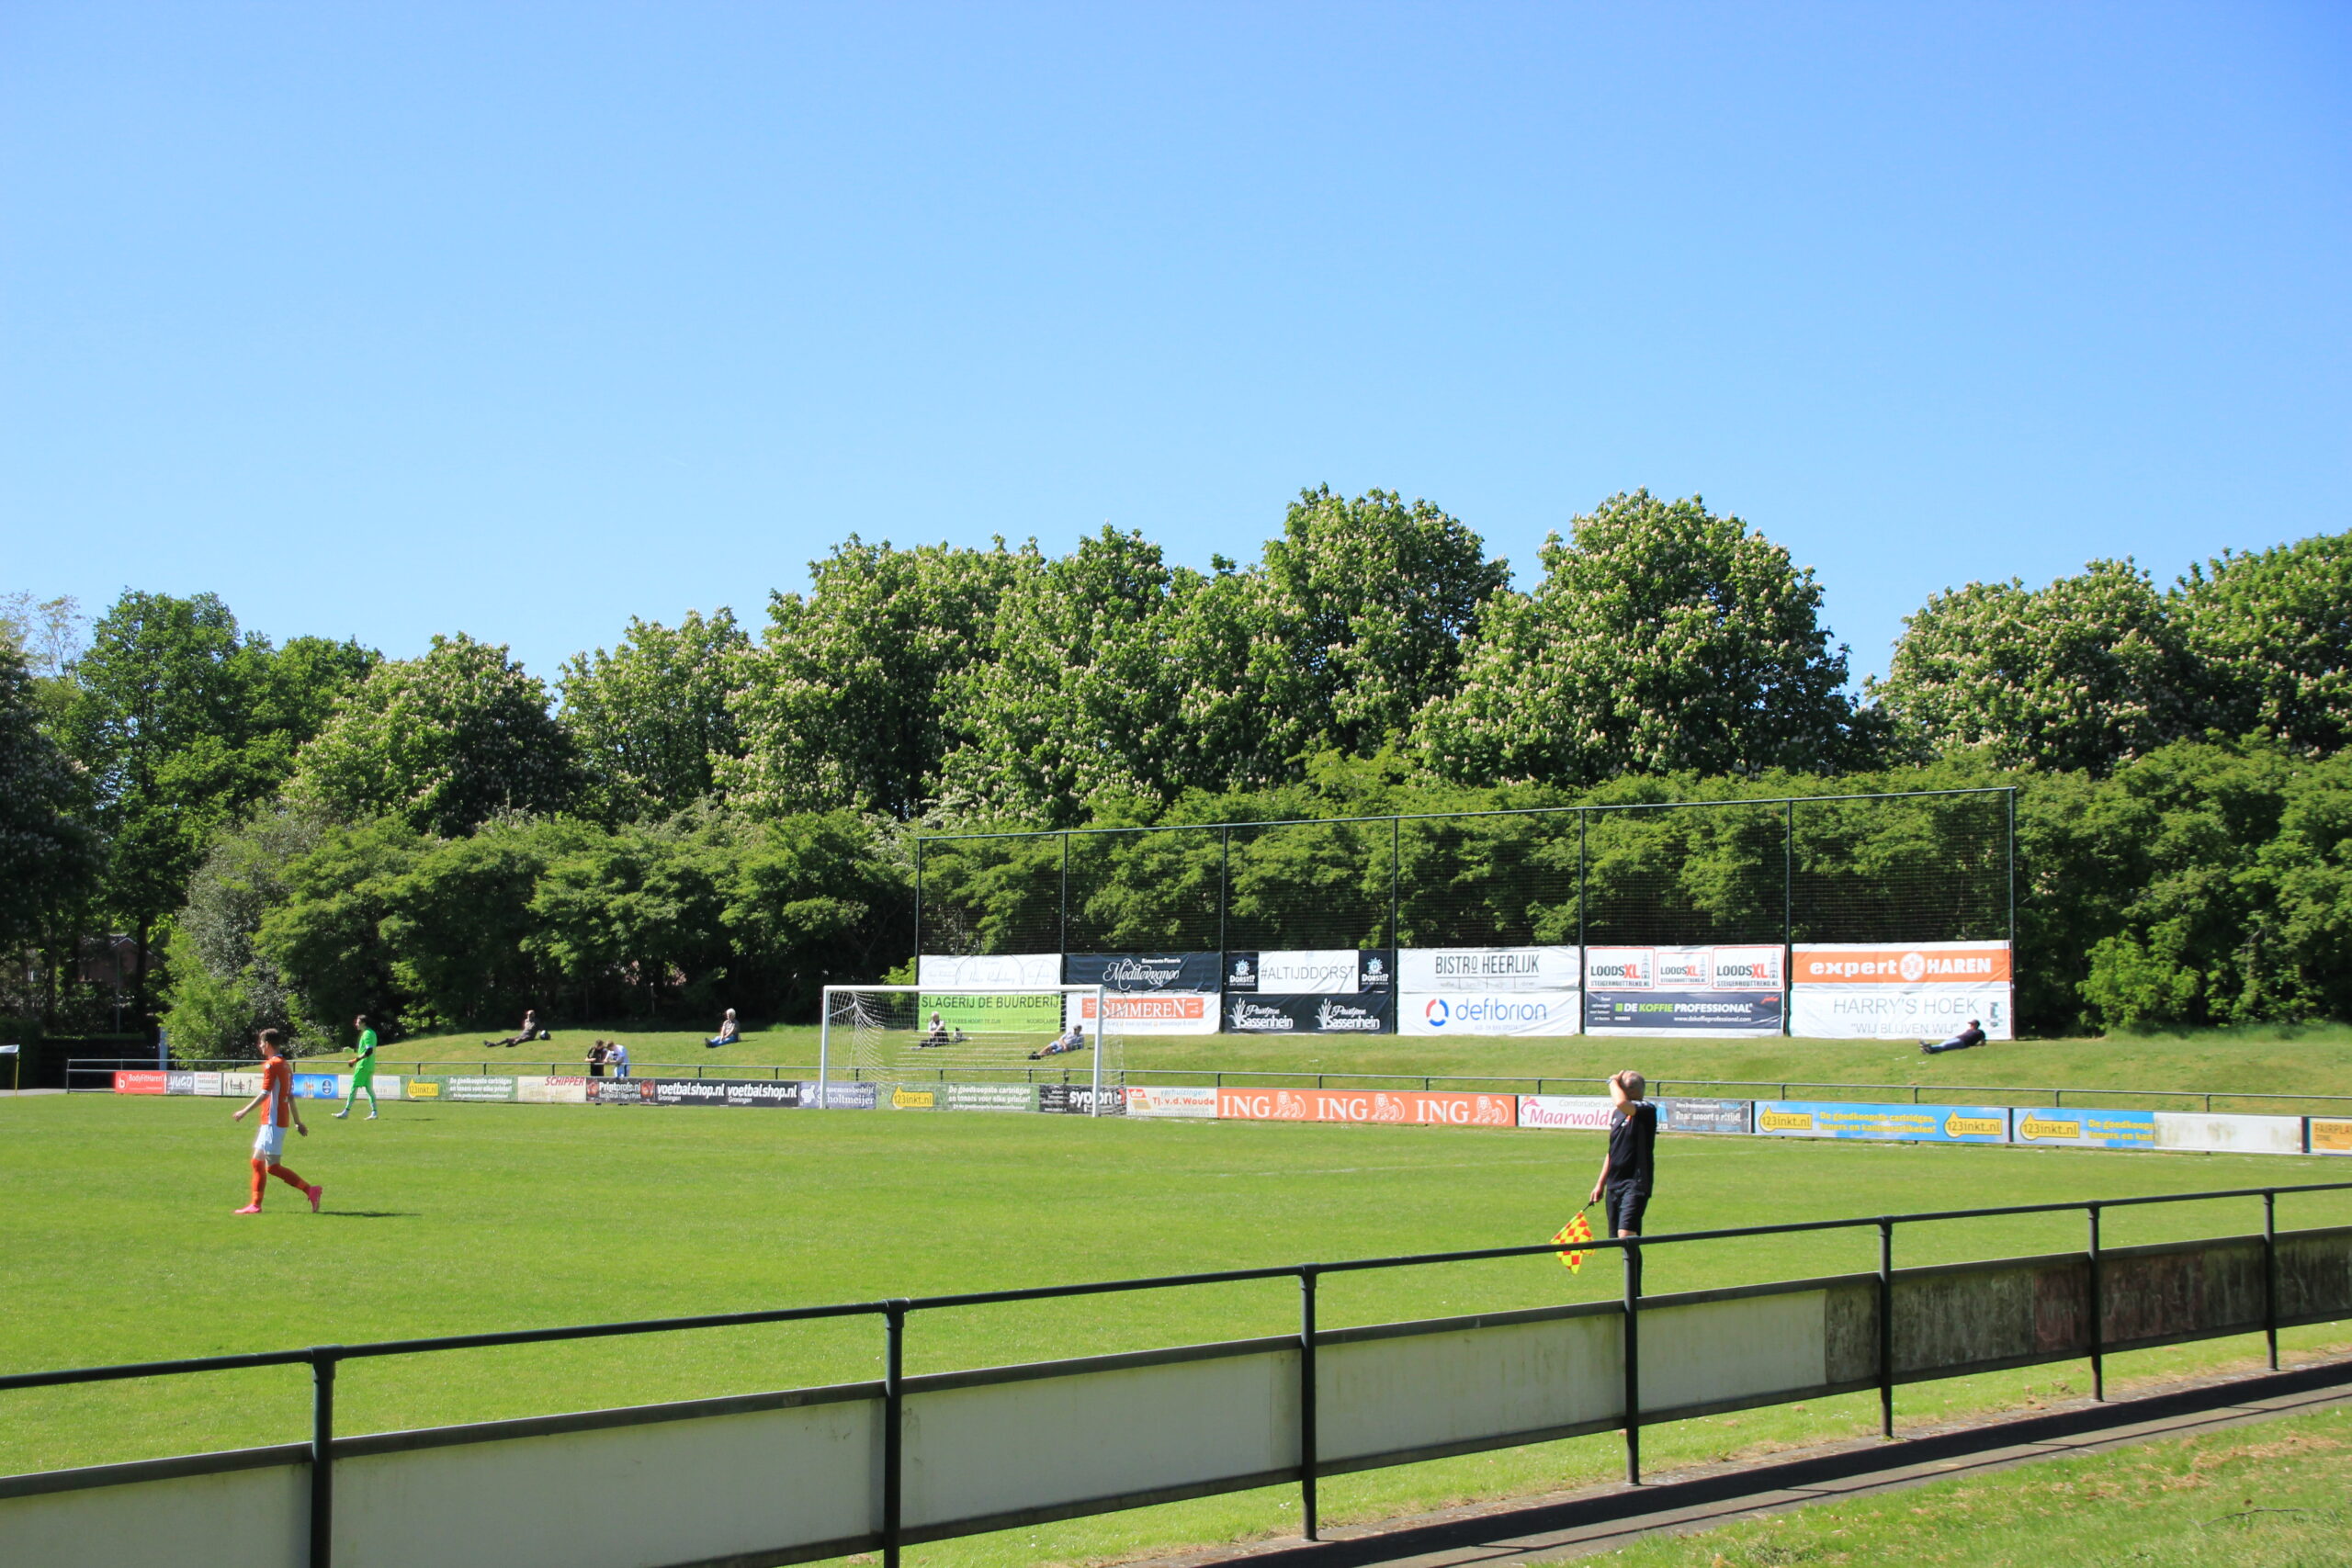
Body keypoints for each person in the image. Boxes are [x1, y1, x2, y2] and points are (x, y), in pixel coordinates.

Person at [232, 1029, 322, 1214]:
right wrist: (297, 1122)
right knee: (257, 1162)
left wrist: (244, 1111)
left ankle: (310, 1190)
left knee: (272, 1167)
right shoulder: (286, 1065)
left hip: (273, 1121)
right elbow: (290, 1096)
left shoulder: (272, 1065)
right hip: (274, 1121)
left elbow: (265, 1093)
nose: (260, 1046)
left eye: (261, 1043)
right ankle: (255, 1204)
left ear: (268, 1044)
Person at [1586, 1070, 1657, 1239]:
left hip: (1635, 1183)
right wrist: (1600, 1184)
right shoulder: (1618, 1114)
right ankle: (1633, 1259)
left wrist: (1611, 1081)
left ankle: (1633, 1259)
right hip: (1614, 1183)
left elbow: (1620, 1103)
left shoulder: (1646, 1109)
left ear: (1628, 1090)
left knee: (1626, 1235)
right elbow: (1612, 1151)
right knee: (1621, 1239)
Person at [333, 1013, 380, 1120]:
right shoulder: (371, 1033)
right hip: (369, 1065)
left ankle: (346, 1112)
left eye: (358, 1022)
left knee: (354, 1087)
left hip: (363, 1066)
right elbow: (365, 1050)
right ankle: (374, 1112)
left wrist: (354, 1060)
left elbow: (369, 1051)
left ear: (363, 1023)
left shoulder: (367, 1034)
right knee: (369, 1089)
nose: (356, 1024)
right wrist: (353, 1050)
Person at [1921, 1020, 1988, 1055]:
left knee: (1945, 1046)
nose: (1970, 1025)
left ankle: (1929, 1048)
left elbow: (1983, 1043)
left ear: (1976, 1025)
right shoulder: (1969, 1030)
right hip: (1958, 1039)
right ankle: (1929, 1050)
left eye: (1972, 1024)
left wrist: (1974, 1045)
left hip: (1963, 1042)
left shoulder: (1980, 1032)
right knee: (1944, 1044)